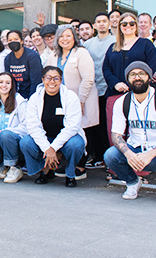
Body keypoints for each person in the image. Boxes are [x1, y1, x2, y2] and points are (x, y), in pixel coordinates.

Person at [104, 61, 156, 205]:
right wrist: (129, 155)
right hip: (135, 151)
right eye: (133, 74)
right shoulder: (122, 102)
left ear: (149, 77)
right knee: (110, 155)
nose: (137, 77)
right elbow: (116, 135)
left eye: (142, 73)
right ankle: (132, 182)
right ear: (127, 79)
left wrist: (150, 154)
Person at [46, 26, 98, 179]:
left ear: (74, 37)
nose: (65, 39)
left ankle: (80, 166)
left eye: (68, 36)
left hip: (82, 99)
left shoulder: (81, 53)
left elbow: (88, 79)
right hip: (61, 102)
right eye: (61, 36)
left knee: (81, 131)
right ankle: (67, 163)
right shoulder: (54, 55)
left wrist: (80, 101)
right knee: (65, 131)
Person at [20, 66, 86, 187]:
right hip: (45, 137)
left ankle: (70, 175)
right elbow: (33, 127)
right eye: (48, 78)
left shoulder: (71, 97)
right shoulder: (35, 98)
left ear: (61, 80)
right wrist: (47, 148)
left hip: (67, 139)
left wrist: (53, 148)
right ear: (42, 79)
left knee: (76, 144)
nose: (52, 82)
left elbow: (72, 127)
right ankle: (45, 170)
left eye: (56, 78)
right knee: (26, 142)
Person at [103, 12, 156, 145]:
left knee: (138, 131)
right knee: (115, 131)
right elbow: (106, 69)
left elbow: (151, 67)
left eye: (132, 23)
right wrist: (115, 84)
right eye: (124, 23)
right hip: (115, 95)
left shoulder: (146, 44)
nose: (128, 26)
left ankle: (138, 163)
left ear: (136, 26)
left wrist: (133, 84)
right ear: (120, 27)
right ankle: (116, 164)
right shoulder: (112, 47)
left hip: (139, 95)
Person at [83, 12, 116, 167]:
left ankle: (107, 158)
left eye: (104, 21)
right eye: (98, 22)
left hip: (109, 88)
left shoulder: (116, 41)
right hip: (92, 89)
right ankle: (96, 155)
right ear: (94, 25)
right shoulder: (88, 44)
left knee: (106, 123)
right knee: (93, 124)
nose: (102, 24)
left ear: (109, 24)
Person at [4, 30, 42, 99]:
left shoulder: (32, 56)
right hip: (18, 97)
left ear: (22, 41)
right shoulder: (8, 59)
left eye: (16, 39)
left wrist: (30, 100)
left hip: (33, 95)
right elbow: (10, 81)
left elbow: (36, 81)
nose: (13, 42)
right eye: (10, 40)